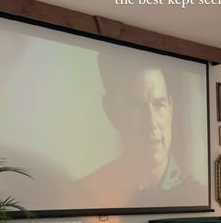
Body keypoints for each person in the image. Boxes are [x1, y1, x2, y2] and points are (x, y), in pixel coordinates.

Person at [73, 58, 206, 207]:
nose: (151, 123)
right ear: (110, 111)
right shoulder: (83, 196)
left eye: (159, 105)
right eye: (136, 106)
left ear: (170, 109)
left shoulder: (199, 195)